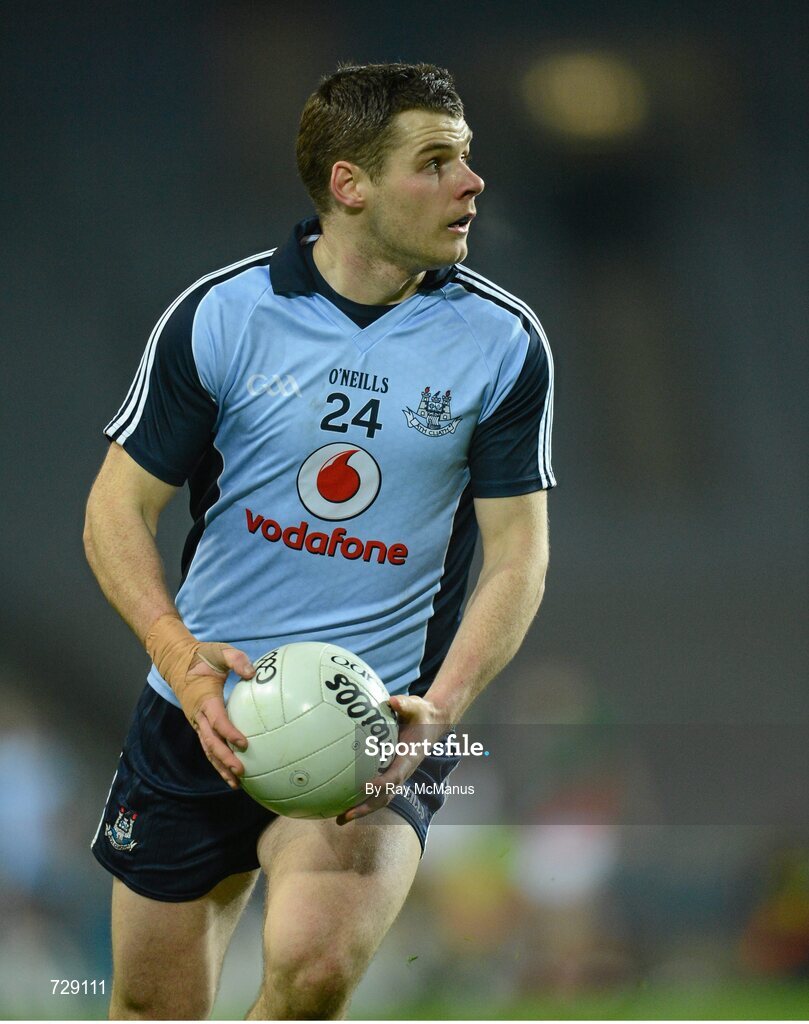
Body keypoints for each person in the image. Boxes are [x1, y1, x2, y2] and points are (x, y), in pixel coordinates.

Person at [85, 61, 555, 1020]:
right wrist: (182, 659)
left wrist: (445, 705)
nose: (471, 185)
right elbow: (114, 512)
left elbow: (517, 555)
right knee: (151, 1005)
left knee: (314, 971)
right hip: (201, 710)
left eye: (466, 160)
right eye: (436, 163)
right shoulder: (223, 315)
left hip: (375, 722)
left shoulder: (501, 343)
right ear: (350, 184)